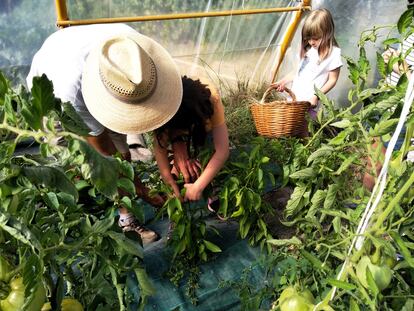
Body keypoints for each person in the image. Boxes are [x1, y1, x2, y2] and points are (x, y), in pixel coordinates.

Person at [26, 24, 183, 244]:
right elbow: (107, 155)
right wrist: (142, 189)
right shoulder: (70, 92)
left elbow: (123, 148)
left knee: (121, 150)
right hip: (51, 96)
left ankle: (122, 211)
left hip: (88, 68)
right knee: (70, 159)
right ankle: (98, 210)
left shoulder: (134, 54)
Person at [153, 76, 229, 203]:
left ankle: (210, 182)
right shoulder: (164, 106)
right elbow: (160, 148)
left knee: (207, 146)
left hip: (203, 125)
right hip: (179, 120)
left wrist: (198, 186)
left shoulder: (211, 100)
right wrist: (169, 181)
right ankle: (179, 172)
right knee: (179, 159)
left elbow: (222, 150)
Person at [273, 8, 342, 120]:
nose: (311, 42)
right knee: (289, 127)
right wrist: (283, 81)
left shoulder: (334, 53)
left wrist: (316, 96)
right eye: (308, 38)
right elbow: (298, 71)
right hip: (294, 98)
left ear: (327, 33)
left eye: (315, 38)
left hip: (309, 102)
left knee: (305, 129)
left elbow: (332, 80)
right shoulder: (309, 49)